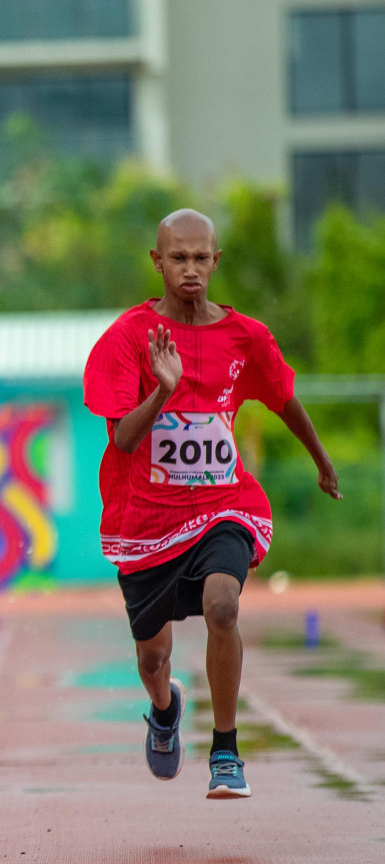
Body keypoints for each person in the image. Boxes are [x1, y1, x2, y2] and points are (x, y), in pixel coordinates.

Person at [83, 209, 338, 799]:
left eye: (202, 258)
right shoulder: (128, 338)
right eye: (179, 258)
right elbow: (122, 438)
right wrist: (164, 389)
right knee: (153, 660)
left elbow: (283, 398)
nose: (191, 270)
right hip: (146, 518)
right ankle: (166, 710)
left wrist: (321, 459)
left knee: (223, 607)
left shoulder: (245, 335)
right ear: (158, 262)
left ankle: (225, 750)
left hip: (223, 502)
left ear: (216, 261)